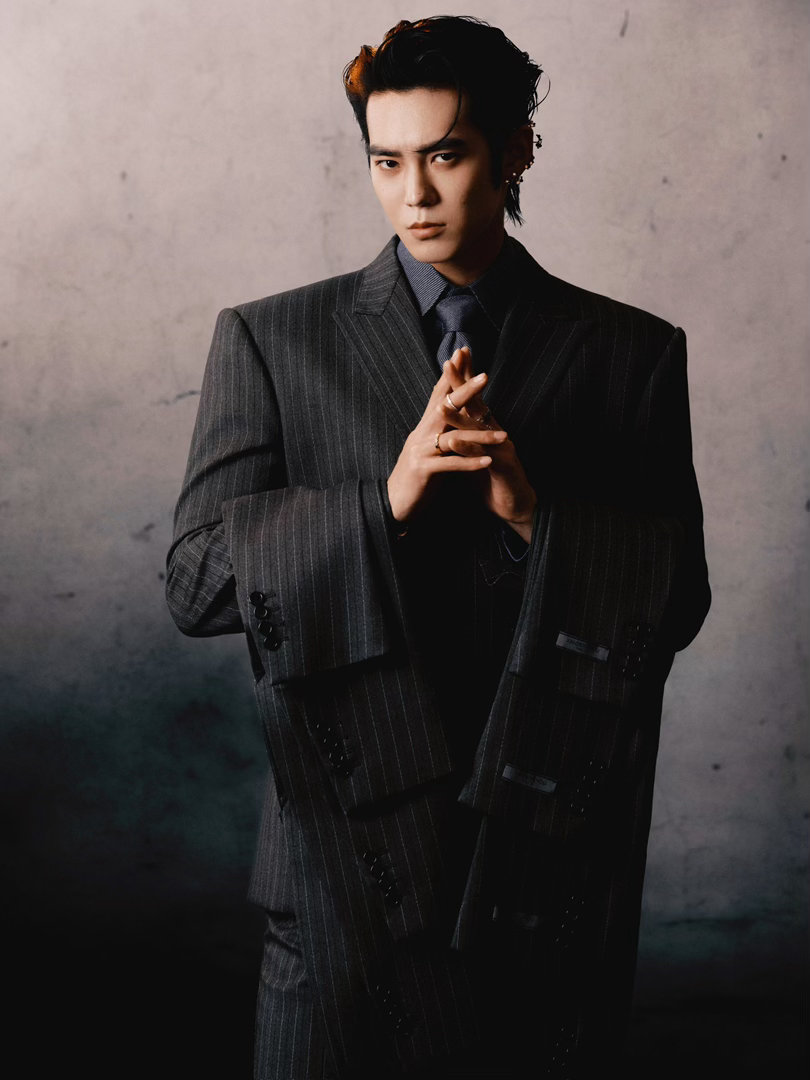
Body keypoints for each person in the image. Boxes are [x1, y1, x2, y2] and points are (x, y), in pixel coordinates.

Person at [166, 15, 710, 1079]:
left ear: (515, 153)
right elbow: (193, 584)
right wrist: (385, 503)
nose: (413, 194)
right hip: (339, 879)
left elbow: (677, 599)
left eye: (446, 156)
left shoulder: (632, 353)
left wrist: (533, 516)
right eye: (386, 161)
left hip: (539, 872)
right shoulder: (272, 339)